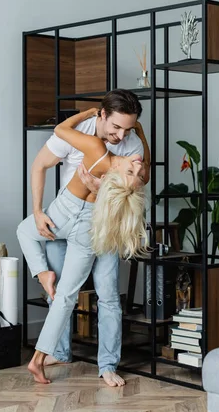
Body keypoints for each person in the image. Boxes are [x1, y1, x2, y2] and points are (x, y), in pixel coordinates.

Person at [17, 107, 147, 385]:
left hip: (77, 216)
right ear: (103, 117)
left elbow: (61, 128)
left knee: (95, 294)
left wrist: (84, 113)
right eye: (117, 127)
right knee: (64, 295)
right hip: (83, 221)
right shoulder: (118, 153)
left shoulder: (98, 150)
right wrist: (142, 139)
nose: (137, 162)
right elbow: (139, 176)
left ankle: (102, 364)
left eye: (133, 168)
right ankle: (43, 357)